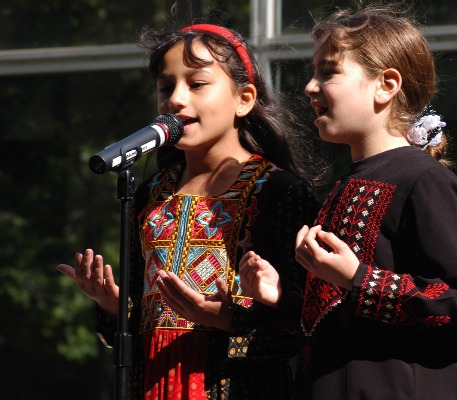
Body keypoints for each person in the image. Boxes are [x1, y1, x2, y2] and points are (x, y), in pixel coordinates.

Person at [239, 4, 457, 400]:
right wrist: (284, 298)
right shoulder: (347, 184)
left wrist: (357, 278)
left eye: (328, 72)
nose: (309, 87)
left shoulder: (423, 179)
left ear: (386, 85)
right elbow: (340, 315)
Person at [57, 22, 323, 400]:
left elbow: (305, 323)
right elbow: (134, 328)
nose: (176, 101)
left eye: (196, 84)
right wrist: (113, 306)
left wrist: (221, 317)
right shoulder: (150, 194)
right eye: (166, 88)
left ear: (244, 99)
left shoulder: (281, 193)